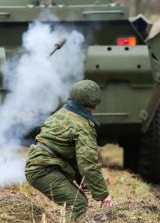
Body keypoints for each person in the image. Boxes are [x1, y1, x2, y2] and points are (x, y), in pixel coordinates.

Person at [25, 80, 112, 222]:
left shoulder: (61, 113)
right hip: (44, 169)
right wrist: (103, 195)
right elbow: (88, 164)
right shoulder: (83, 126)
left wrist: (81, 180)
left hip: (40, 166)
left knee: (78, 199)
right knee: (77, 203)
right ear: (94, 104)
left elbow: (70, 154)